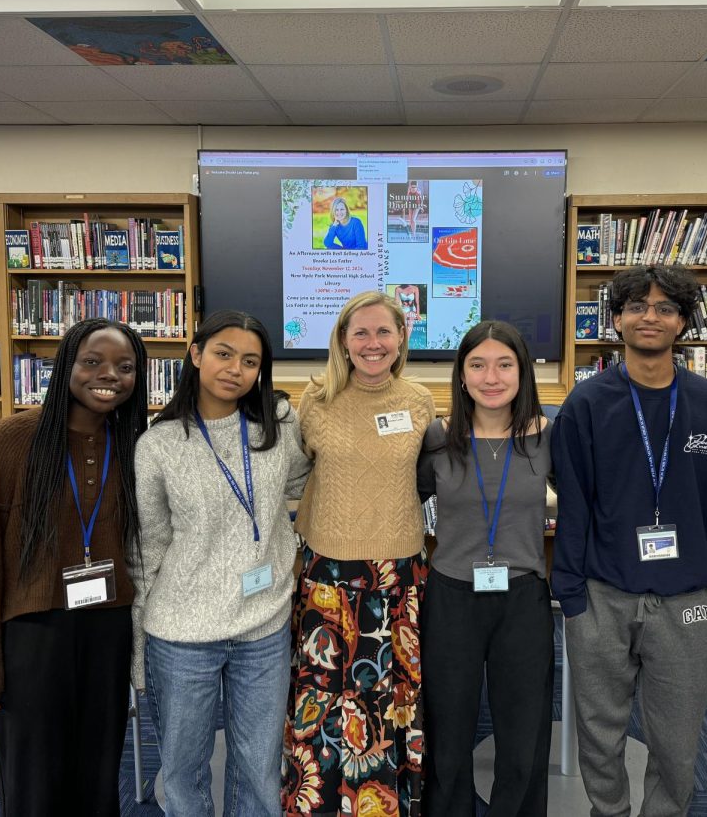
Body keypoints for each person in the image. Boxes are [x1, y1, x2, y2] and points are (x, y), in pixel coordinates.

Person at [551, 265, 707, 817]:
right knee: (600, 735)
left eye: (663, 308)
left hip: (689, 602)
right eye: (636, 306)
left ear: (683, 321)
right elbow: (575, 506)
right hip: (603, 596)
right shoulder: (586, 405)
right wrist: (574, 599)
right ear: (616, 320)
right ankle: (607, 812)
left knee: (677, 744)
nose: (649, 317)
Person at [0, 317, 149, 815]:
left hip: (109, 627)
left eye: (124, 367)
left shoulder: (134, 444)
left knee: (98, 774)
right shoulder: (10, 441)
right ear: (67, 365)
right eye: (92, 362)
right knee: (34, 780)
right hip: (33, 631)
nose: (108, 375)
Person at [133, 310, 311, 817]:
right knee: (184, 770)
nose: (235, 368)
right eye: (224, 354)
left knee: (259, 766)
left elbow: (304, 486)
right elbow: (146, 549)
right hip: (183, 632)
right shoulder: (158, 445)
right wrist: (138, 645)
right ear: (196, 354)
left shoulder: (276, 426)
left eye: (250, 361)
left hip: (264, 624)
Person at [282, 290, 436, 817]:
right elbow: (300, 476)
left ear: (400, 339)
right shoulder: (315, 400)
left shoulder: (419, 402)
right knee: (325, 697)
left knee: (391, 698)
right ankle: (319, 803)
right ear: (343, 342)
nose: (373, 344)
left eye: (384, 332)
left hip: (399, 576)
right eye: (361, 333)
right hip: (329, 573)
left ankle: (390, 802)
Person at [417, 320, 553, 817]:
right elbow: (406, 500)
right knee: (448, 731)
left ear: (522, 373)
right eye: (477, 364)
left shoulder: (547, 435)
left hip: (522, 597)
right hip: (452, 596)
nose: (490, 377)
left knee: (523, 733)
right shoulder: (436, 438)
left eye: (504, 364)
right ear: (461, 374)